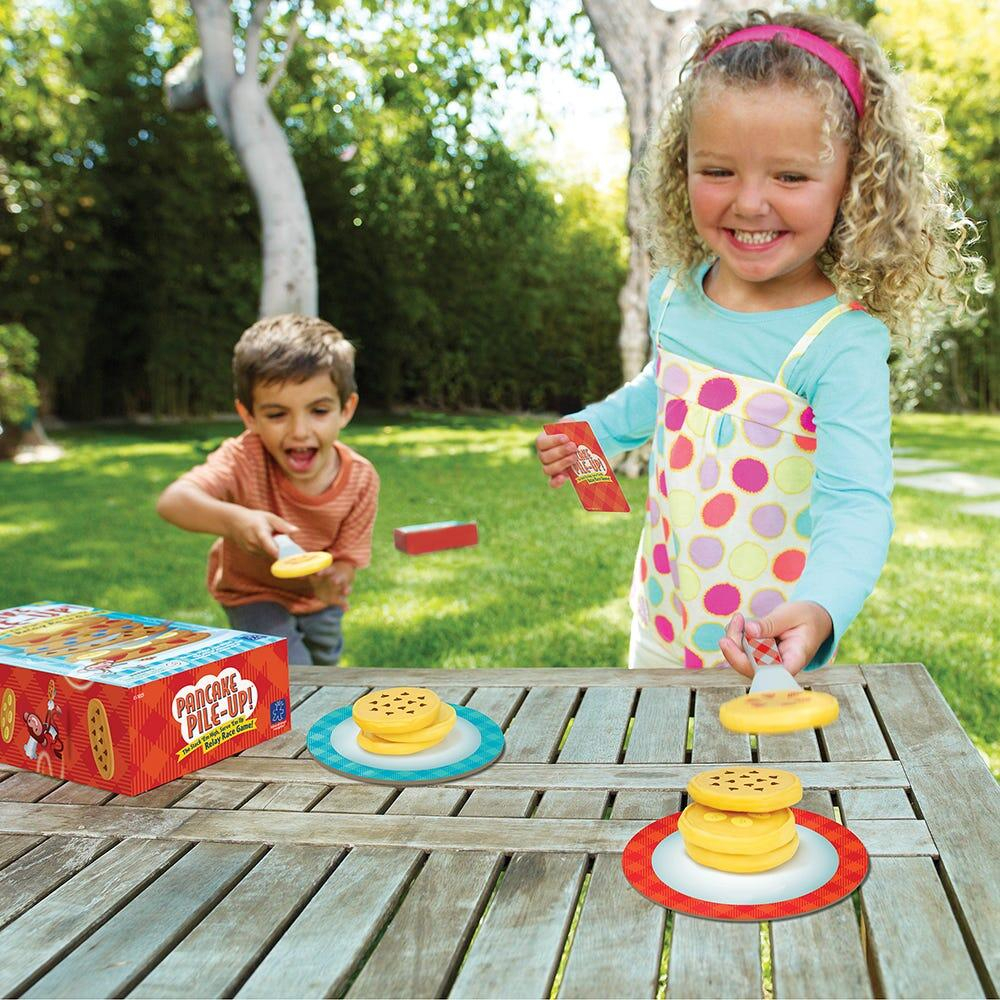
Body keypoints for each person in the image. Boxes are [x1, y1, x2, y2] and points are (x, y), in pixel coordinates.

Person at [536, 11, 987, 676]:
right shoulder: (675, 292)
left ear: (854, 183)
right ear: (681, 166)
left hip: (770, 641)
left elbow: (856, 502)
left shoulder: (838, 343)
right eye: (718, 170)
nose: (750, 203)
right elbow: (667, 391)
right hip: (661, 612)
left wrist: (821, 609)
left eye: (790, 177)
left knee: (759, 752)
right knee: (653, 744)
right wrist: (595, 429)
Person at [157, 314, 379, 665]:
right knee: (288, 669)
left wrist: (335, 579)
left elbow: (348, 557)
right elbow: (174, 502)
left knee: (326, 666)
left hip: (319, 598)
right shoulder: (243, 458)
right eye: (277, 415)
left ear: (345, 409)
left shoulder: (360, 479)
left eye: (319, 410)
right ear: (249, 416)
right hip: (252, 592)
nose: (299, 431)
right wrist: (235, 521)